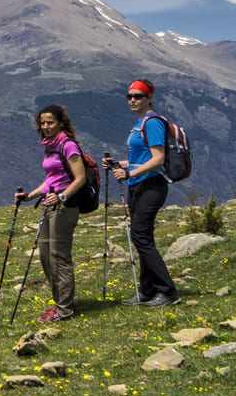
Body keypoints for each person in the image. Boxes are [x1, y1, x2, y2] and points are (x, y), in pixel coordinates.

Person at [105, 79, 178, 307]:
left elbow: (158, 159)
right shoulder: (140, 123)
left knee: (140, 236)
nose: (133, 100)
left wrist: (129, 174)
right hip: (139, 184)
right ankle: (147, 291)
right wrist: (119, 164)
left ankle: (168, 292)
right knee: (142, 236)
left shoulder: (152, 122)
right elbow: (140, 159)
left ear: (149, 98)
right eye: (130, 97)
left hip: (152, 184)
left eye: (138, 96)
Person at [13, 104, 89, 323]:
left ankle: (65, 310)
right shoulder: (51, 146)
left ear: (60, 123)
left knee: (59, 257)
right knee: (46, 256)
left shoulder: (68, 146)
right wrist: (30, 196)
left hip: (65, 208)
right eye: (42, 123)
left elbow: (80, 178)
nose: (45, 127)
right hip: (49, 205)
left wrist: (62, 196)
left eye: (50, 123)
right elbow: (51, 179)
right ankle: (59, 304)